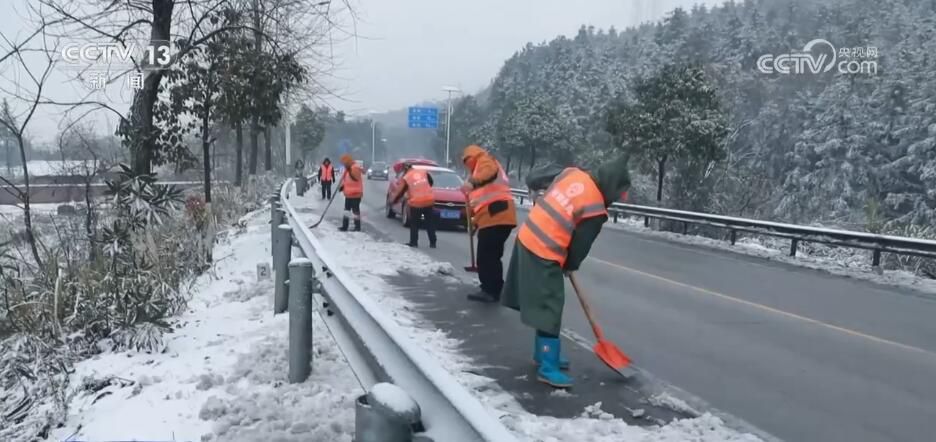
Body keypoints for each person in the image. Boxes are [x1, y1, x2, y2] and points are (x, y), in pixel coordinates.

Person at [501, 155, 631, 389]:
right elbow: (580, 245)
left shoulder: (573, 174)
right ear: (612, 186)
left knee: (544, 304)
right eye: (619, 193)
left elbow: (550, 189)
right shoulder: (595, 208)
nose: (618, 199)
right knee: (550, 305)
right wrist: (569, 263)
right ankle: (547, 367)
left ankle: (543, 354)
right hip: (543, 250)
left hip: (528, 234)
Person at [459, 145, 517, 303]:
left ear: (470, 157)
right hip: (495, 216)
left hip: (497, 215)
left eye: (466, 161)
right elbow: (481, 203)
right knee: (492, 255)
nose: (466, 165)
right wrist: (474, 223)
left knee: (486, 256)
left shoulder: (484, 161)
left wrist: (472, 181)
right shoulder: (478, 168)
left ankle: (490, 290)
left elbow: (489, 172)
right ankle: (496, 288)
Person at [390, 162, 437, 248]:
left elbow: (400, 192)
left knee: (414, 223)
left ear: (405, 169)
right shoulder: (422, 172)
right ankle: (433, 243)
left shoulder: (406, 178)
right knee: (429, 222)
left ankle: (414, 242)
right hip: (429, 200)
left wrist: (393, 201)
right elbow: (431, 182)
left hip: (416, 202)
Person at [337, 154, 364, 232]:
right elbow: (347, 181)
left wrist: (349, 170)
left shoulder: (355, 168)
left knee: (355, 211)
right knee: (346, 211)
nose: (343, 164)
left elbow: (355, 179)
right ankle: (345, 226)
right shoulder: (348, 168)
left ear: (348, 162)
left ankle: (357, 227)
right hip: (348, 194)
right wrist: (343, 186)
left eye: (344, 163)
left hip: (355, 194)